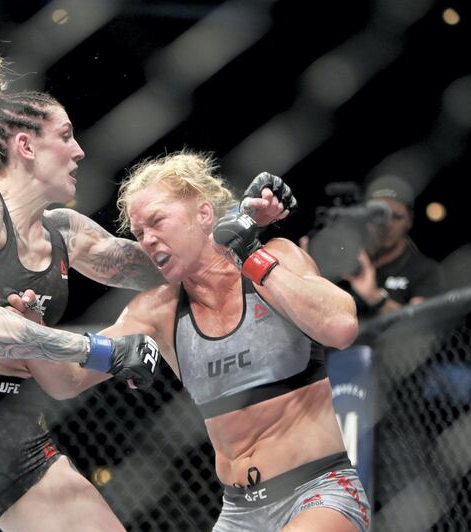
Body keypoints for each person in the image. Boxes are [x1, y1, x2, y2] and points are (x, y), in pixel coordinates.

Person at [0, 20, 289, 532]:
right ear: (26, 147)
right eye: (65, 136)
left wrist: (242, 220)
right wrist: (101, 351)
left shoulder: (65, 232)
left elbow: (165, 262)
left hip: (20, 439)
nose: (80, 151)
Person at [93, 151, 371, 530]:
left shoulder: (277, 256)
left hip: (318, 489)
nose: (148, 239)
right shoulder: (158, 310)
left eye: (158, 221)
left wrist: (250, 257)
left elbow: (341, 327)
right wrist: (25, 330)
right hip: (239, 512)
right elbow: (65, 380)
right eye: (140, 233)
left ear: (204, 215)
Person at [343, 175, 445, 318]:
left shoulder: (424, 270)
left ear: (409, 221)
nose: (387, 225)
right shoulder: (345, 260)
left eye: (396, 217)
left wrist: (374, 298)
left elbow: (419, 323)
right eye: (378, 215)